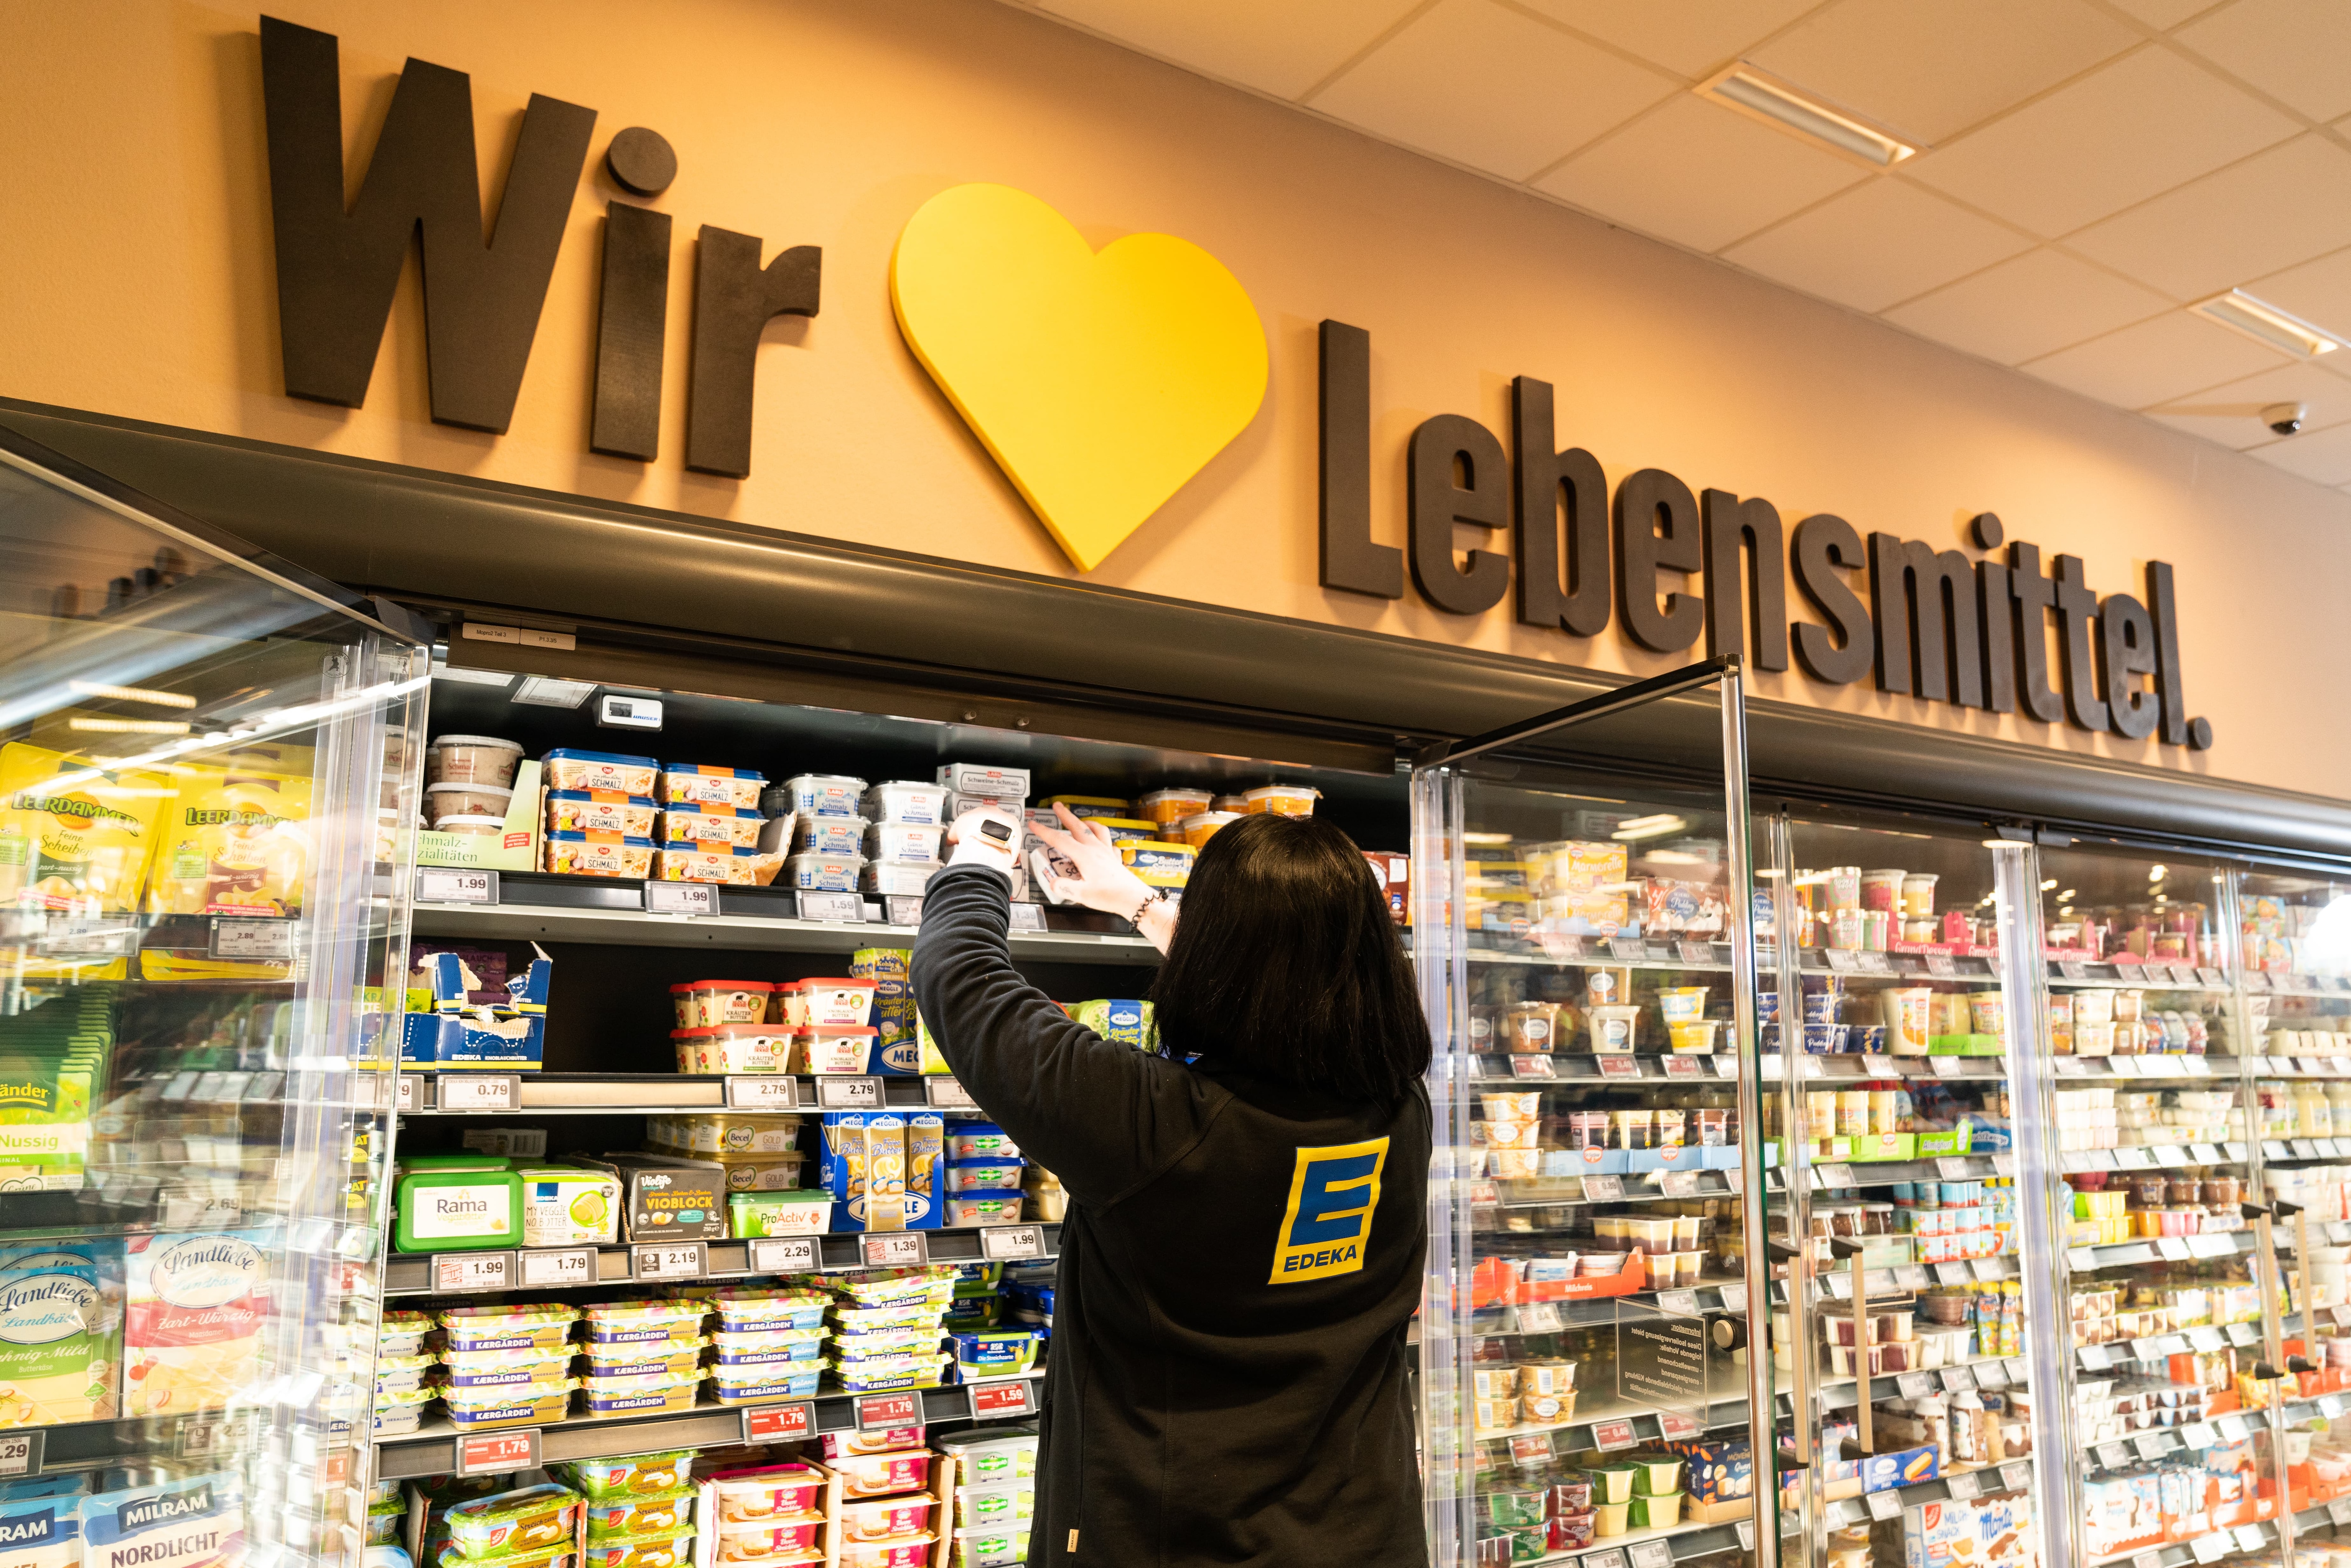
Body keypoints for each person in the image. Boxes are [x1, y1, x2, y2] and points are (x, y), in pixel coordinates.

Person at [909, 802, 1432, 1568]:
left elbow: (960, 977)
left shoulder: (1147, 1122)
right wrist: (1135, 901)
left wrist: (980, 860)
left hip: (1174, 1536)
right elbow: (1290, 987)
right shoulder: (1399, 1106)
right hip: (1364, 1528)